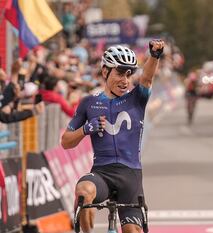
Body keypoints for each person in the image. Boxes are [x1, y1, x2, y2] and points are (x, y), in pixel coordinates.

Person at [61, 40, 164, 233]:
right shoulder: (88, 103)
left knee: (131, 231)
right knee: (83, 192)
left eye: (128, 74)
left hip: (130, 175)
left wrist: (154, 56)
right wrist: (85, 129)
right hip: (102, 173)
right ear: (105, 72)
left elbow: (147, 78)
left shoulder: (136, 99)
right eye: (119, 73)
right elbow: (66, 142)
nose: (125, 80)